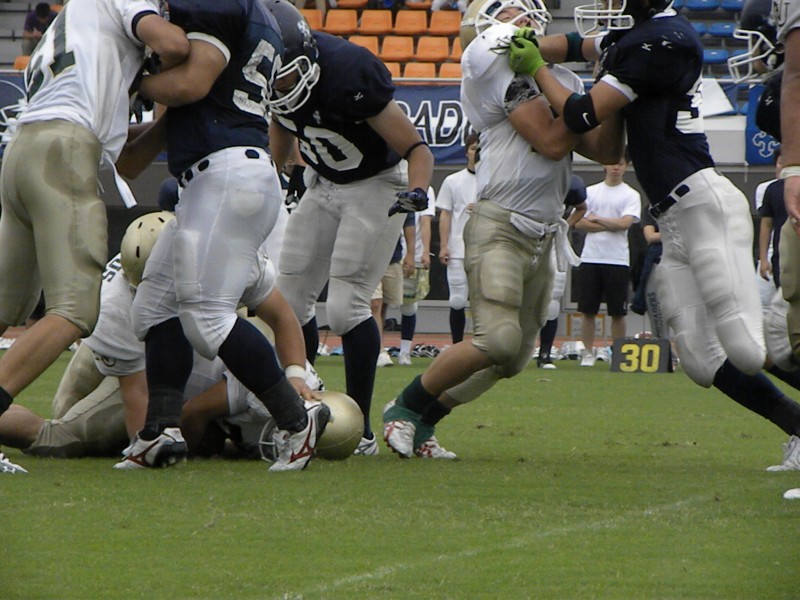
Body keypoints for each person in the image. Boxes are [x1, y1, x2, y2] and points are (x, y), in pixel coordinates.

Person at [506, 0, 800, 469]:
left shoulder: (664, 41)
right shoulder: (638, 35)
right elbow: (576, 44)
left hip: (705, 208)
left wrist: (536, 68)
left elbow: (581, 114)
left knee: (747, 349)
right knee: (702, 362)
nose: (609, 5)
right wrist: (519, 42)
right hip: (673, 220)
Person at [382, 0, 624, 459]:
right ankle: (403, 407)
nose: (525, 19)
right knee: (495, 339)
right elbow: (552, 142)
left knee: (512, 359)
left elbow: (607, 150)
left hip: (543, 232)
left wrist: (613, 89)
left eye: (528, 13)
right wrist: (582, 87)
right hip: (501, 224)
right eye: (512, 14)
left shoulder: (561, 79)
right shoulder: (486, 58)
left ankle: (425, 421)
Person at [116, 0, 330, 472]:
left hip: (226, 176)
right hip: (219, 177)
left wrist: (127, 80)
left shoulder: (216, 6)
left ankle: (296, 420)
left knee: (207, 317)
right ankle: (161, 431)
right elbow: (183, 110)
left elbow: (190, 84)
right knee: (154, 307)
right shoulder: (254, 15)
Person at [0, 0, 189, 474]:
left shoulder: (79, 23)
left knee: (4, 307)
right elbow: (173, 44)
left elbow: (126, 162)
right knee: (74, 311)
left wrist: (167, 121)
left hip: (23, 150)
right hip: (64, 149)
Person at [267, 1, 434, 456]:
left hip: (376, 183)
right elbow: (281, 122)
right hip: (324, 180)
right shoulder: (270, 72)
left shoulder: (348, 71)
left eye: (287, 76)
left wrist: (418, 191)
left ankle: (359, 430)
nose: (279, 85)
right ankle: (298, 409)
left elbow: (417, 149)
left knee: (345, 308)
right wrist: (275, 174)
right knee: (288, 299)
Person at [573, 154, 641, 367]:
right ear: (604, 164)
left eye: (620, 164)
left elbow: (625, 223)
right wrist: (610, 224)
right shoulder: (590, 192)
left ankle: (618, 353)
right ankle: (587, 353)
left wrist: (598, 219)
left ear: (626, 166)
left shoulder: (631, 194)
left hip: (617, 260)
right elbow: (579, 222)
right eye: (612, 163)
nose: (615, 168)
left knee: (618, 312)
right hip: (591, 258)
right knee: (588, 311)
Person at [537, 174, 587, 369]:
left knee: (553, 298)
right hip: (527, 238)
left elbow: (582, 207)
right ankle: (518, 348)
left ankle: (545, 353)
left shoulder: (570, 183)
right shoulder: (527, 177)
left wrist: (565, 226)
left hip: (554, 240)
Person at [438, 133, 478, 345]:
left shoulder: (495, 182)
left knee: (485, 301)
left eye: (480, 149)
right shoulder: (452, 181)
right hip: (458, 249)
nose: (476, 153)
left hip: (487, 250)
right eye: (473, 148)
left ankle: (483, 345)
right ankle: (457, 345)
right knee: (457, 300)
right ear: (466, 152)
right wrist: (444, 245)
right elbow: (445, 214)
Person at [398, 186, 437, 366]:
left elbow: (425, 221)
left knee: (409, 305)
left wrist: (425, 251)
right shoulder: (391, 181)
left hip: (412, 253)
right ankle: (379, 350)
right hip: (387, 252)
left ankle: (404, 352)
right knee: (378, 303)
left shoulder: (426, 189)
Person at [374, 214, 416, 368]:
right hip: (367, 257)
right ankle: (379, 351)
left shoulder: (400, 199)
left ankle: (376, 345)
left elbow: (409, 221)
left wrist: (410, 254)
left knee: (383, 305)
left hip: (392, 257)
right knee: (374, 304)